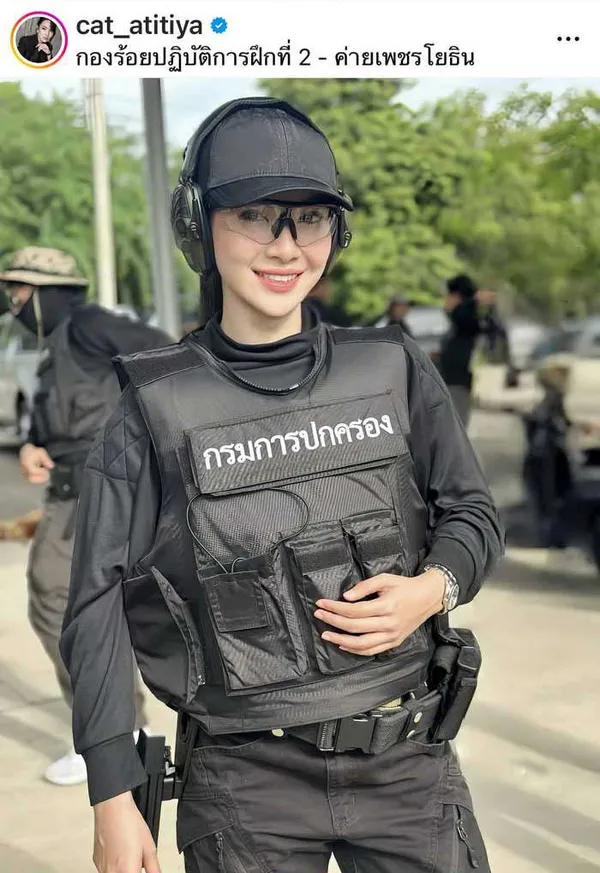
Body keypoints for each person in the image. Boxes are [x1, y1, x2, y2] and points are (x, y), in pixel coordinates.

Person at [60, 98, 504, 873]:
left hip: (408, 764)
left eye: (311, 218)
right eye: (255, 215)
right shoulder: (150, 409)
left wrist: (433, 588)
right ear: (198, 226)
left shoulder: (394, 367)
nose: (286, 245)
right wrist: (111, 790)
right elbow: (95, 601)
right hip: (245, 783)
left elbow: (472, 512)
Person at [0, 246, 172, 786]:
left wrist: (140, 446)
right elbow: (53, 415)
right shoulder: (57, 344)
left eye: (19, 289)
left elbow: (166, 356)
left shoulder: (92, 325)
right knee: (69, 606)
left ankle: (115, 735)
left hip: (99, 490)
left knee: (57, 600)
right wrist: (33, 444)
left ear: (46, 292)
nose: (12, 300)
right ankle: (118, 730)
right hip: (70, 489)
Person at [437, 275, 498, 428]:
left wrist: (475, 300)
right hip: (452, 379)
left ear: (457, 297)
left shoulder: (464, 318)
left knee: (455, 424)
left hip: (456, 380)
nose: (445, 301)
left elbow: (463, 315)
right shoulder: (461, 320)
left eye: (449, 296)